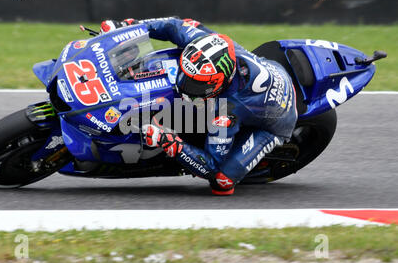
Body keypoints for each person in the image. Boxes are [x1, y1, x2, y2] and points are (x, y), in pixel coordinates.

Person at [100, 17, 298, 196]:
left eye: (196, 83)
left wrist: (168, 141)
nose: (184, 84)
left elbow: (212, 165)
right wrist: (129, 27)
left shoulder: (226, 111)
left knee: (222, 181)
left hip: (277, 120)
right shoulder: (208, 43)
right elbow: (173, 25)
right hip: (267, 71)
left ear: (221, 82)